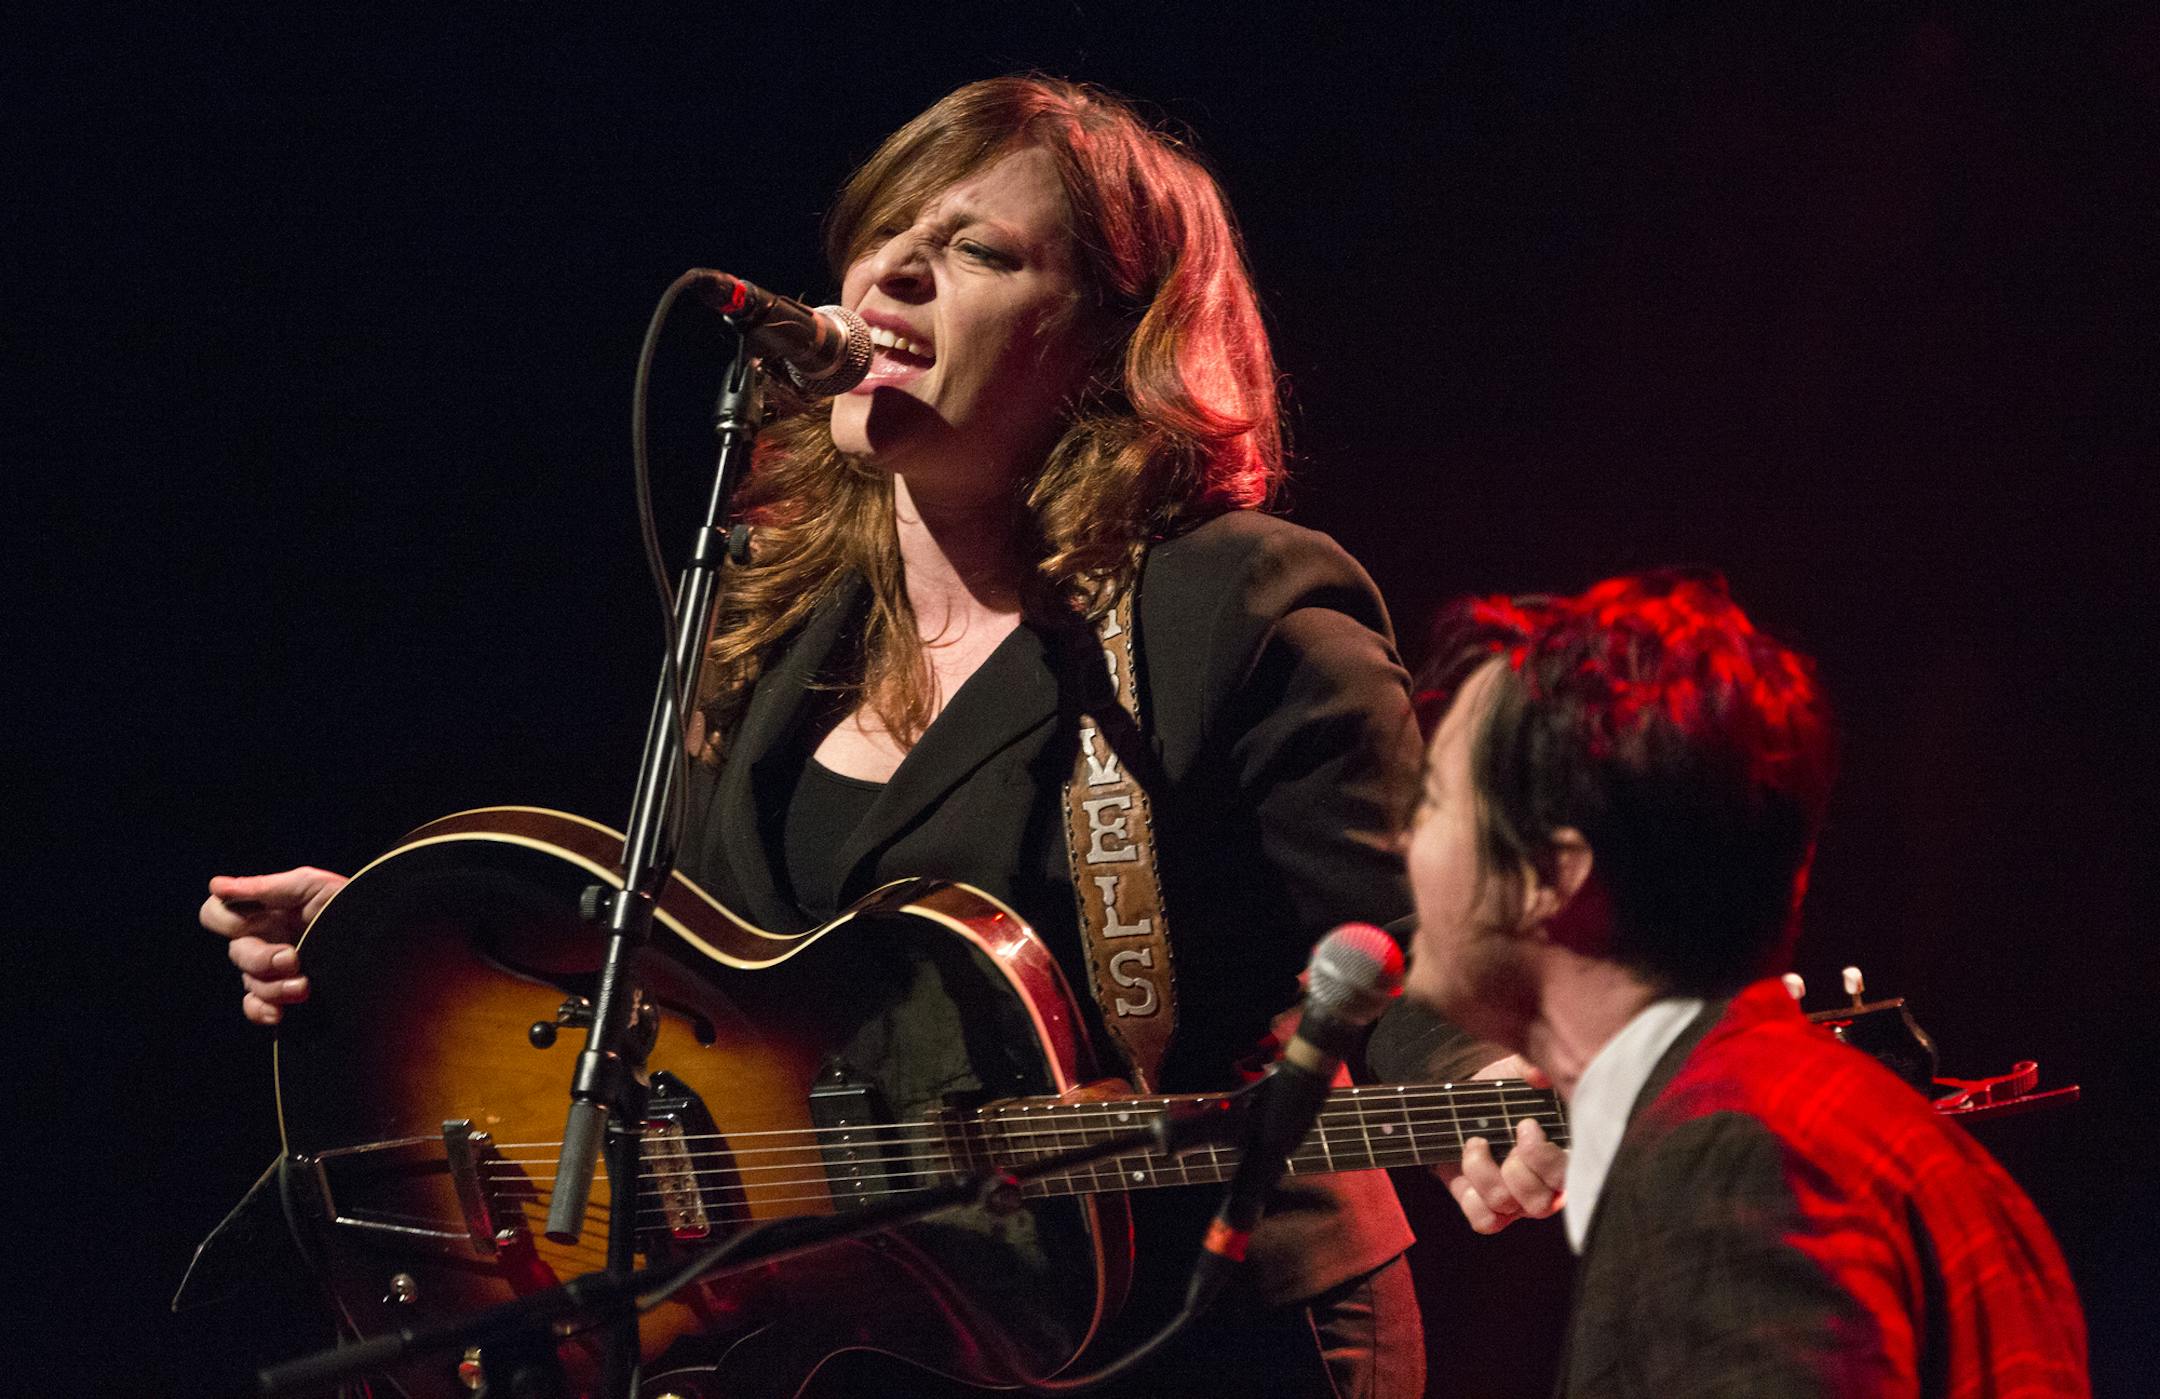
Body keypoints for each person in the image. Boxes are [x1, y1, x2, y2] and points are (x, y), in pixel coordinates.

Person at [203, 76, 1518, 1397]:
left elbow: (1410, 934)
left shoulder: (1228, 599)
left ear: (1112, 341)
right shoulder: (771, 624)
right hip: (867, 1345)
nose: (890, 271)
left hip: (1194, 1326)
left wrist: (1478, 1082)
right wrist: (386, 931)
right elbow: (706, 977)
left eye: (979, 250)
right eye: (887, 230)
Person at [1399, 570, 2089, 1397]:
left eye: (1434, 802)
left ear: (1554, 874)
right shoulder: (1868, 1146)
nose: (1403, 843)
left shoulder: (1727, 1167)